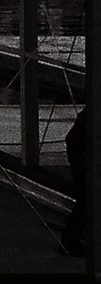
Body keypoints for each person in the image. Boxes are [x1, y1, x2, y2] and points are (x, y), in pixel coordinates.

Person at [62, 107, 90, 258]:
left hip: (81, 153)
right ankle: (70, 242)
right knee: (86, 199)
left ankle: (70, 241)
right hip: (82, 154)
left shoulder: (90, 112)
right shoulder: (92, 114)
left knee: (86, 199)